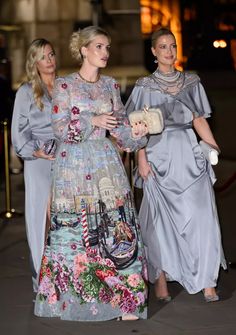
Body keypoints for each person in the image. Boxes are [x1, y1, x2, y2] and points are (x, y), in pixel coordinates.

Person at [34, 26, 148, 321]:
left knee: (116, 227)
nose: (105, 53)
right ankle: (74, 299)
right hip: (72, 166)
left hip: (104, 162)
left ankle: (124, 301)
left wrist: (135, 133)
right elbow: (60, 129)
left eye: (107, 47)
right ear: (83, 49)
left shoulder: (110, 85)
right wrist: (91, 119)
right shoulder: (64, 86)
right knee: (74, 233)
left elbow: (120, 128)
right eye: (99, 47)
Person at [125, 27, 227, 303]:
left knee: (202, 217)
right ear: (154, 51)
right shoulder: (144, 86)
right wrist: (141, 158)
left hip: (189, 152)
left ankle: (207, 280)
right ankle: (161, 280)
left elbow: (199, 120)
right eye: (163, 47)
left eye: (172, 46)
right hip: (158, 154)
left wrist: (213, 147)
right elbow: (137, 128)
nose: (169, 51)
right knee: (159, 222)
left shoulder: (192, 81)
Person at [11, 38, 57, 292]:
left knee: (66, 216)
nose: (49, 61)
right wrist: (35, 151)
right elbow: (18, 134)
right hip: (38, 160)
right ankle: (43, 280)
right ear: (34, 62)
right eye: (43, 57)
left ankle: (68, 274)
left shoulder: (65, 87)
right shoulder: (26, 92)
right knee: (41, 217)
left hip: (66, 158)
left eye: (51, 55)